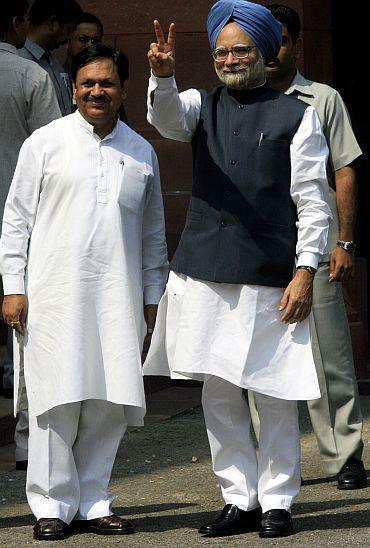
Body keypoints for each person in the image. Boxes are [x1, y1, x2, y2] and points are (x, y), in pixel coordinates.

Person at [143, 0, 331, 539]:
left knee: (272, 391)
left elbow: (314, 203)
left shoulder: (298, 114)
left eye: (241, 49)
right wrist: (162, 76)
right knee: (219, 391)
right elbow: (168, 123)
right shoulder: (203, 103)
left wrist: (305, 270)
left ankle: (276, 501)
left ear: (264, 52)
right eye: (222, 50)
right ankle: (238, 498)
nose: (229, 58)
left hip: (271, 275)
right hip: (203, 272)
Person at [0, 43, 168, 541]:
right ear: (72, 88)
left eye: (108, 83)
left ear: (123, 89)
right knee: (54, 400)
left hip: (118, 297)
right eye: (88, 83)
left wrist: (153, 297)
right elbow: (15, 222)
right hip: (52, 296)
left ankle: (94, 500)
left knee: (107, 400)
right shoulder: (44, 143)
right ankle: (51, 505)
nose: (98, 91)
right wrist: (12, 287)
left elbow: (154, 233)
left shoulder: (141, 151)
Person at [260, 3, 366, 491]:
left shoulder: (321, 98)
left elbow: (343, 169)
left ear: (297, 45)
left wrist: (345, 240)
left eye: (279, 39)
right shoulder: (242, 100)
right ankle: (271, 464)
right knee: (258, 361)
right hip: (259, 251)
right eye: (262, 39)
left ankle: (345, 455)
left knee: (330, 358)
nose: (269, 49)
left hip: (318, 244)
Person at [0, 0, 61, 470]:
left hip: (19, 216)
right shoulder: (29, 75)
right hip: (22, 219)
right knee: (24, 338)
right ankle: (26, 446)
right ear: (16, 25)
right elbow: (56, 149)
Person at [19, 0, 83, 116]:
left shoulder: (55, 63)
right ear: (52, 22)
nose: (70, 37)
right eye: (69, 29)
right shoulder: (19, 63)